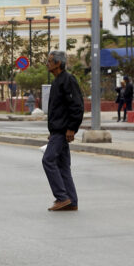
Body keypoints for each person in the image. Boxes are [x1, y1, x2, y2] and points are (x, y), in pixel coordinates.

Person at [43, 51, 84, 212]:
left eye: (50, 61)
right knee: (62, 165)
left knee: (48, 160)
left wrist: (72, 128)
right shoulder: (57, 81)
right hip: (57, 131)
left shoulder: (68, 80)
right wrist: (53, 130)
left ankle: (62, 197)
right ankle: (71, 201)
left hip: (63, 131)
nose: (47, 64)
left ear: (58, 63)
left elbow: (77, 106)